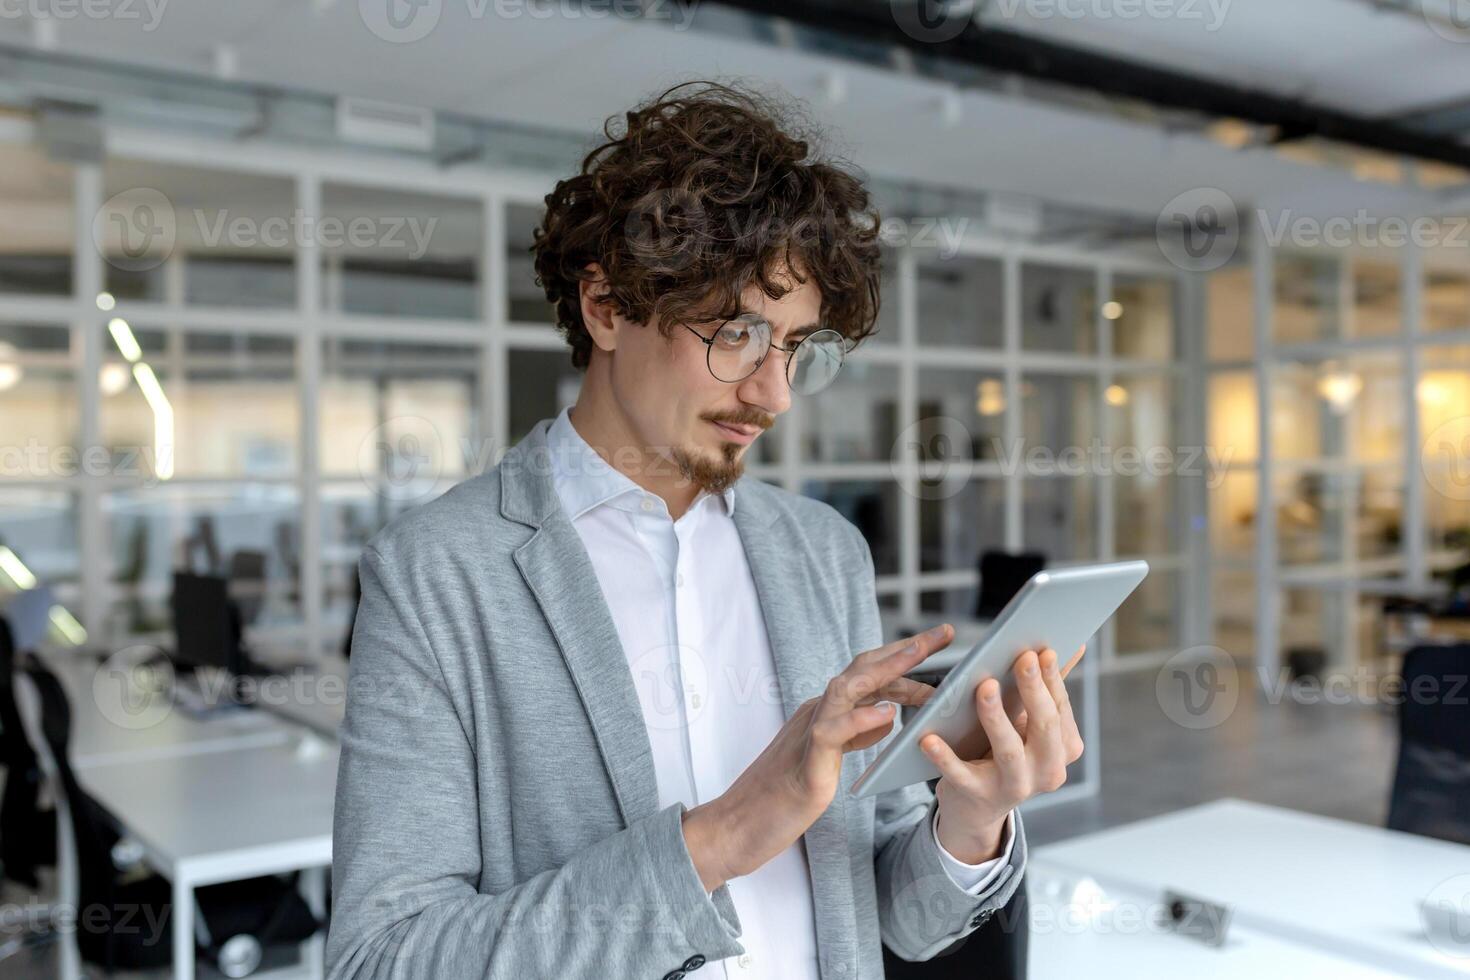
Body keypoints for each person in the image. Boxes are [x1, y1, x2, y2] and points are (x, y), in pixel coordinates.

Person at [326, 81, 1084, 980]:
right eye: (737, 334)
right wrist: (717, 841)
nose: (774, 394)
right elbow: (380, 959)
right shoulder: (436, 575)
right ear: (607, 307)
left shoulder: (822, 553)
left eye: (796, 347)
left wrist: (970, 820)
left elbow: (886, 918)